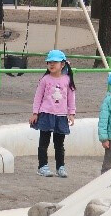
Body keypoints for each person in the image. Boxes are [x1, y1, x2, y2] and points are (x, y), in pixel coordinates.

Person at [30, 49, 77, 177]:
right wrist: (35, 113)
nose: (51, 64)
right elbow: (38, 97)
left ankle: (60, 167)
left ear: (62, 64)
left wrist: (71, 113)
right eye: (49, 62)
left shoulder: (67, 80)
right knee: (43, 142)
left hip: (61, 116)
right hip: (46, 114)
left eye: (55, 62)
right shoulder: (44, 80)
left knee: (59, 144)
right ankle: (42, 166)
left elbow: (71, 98)